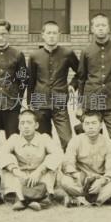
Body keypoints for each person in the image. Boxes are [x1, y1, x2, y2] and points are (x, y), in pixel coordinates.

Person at [77, 13, 111, 174]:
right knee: (90, 139)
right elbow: (81, 78)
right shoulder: (86, 51)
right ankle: (90, 176)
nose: (101, 29)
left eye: (104, 25)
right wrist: (80, 104)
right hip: (92, 101)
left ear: (109, 28)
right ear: (92, 29)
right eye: (97, 26)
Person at [0, 109, 62, 211]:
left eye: (29, 123)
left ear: (36, 125)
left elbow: (58, 154)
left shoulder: (44, 138)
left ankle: (40, 200)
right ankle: (23, 199)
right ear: (19, 126)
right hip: (21, 176)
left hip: (40, 175)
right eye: (22, 123)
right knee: (7, 165)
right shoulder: (14, 138)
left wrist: (40, 171)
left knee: (51, 168)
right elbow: (0, 154)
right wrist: (15, 170)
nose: (26, 126)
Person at [27, 20, 79, 150]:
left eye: (54, 33)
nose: (51, 36)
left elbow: (81, 72)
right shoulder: (34, 56)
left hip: (60, 101)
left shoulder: (67, 54)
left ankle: (68, 167)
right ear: (43, 35)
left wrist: (73, 84)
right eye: (49, 33)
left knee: (67, 139)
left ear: (59, 34)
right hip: (40, 102)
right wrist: (29, 102)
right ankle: (47, 167)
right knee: (44, 140)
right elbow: (31, 80)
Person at [57, 111, 111, 207]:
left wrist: (101, 182)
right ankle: (99, 199)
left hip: (99, 181)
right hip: (80, 181)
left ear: (101, 125)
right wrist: (78, 176)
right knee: (65, 181)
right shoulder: (76, 141)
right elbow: (67, 163)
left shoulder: (108, 143)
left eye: (94, 123)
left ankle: (80, 199)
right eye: (87, 124)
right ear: (83, 126)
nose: (90, 127)